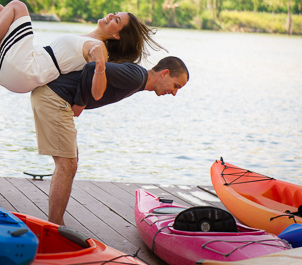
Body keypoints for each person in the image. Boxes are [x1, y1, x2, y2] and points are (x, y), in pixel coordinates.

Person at [31, 56, 189, 225]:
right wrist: (80, 102)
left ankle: (55, 222)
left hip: (55, 98)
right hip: (54, 98)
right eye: (176, 86)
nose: (174, 93)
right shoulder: (137, 77)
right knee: (67, 164)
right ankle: (55, 225)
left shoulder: (137, 79)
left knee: (70, 163)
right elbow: (92, 68)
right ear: (164, 74)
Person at [0, 0, 163, 93]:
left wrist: (79, 103)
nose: (111, 15)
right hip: (29, 66)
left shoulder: (98, 48)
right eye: (115, 13)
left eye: (117, 20)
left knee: (17, 6)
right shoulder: (87, 38)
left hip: (31, 69)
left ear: (116, 36)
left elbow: (95, 86)